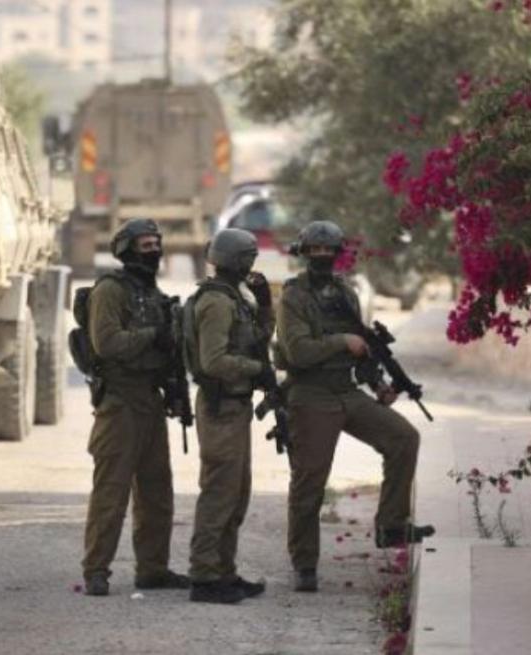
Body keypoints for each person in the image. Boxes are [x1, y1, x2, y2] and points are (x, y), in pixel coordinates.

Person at [276, 220, 430, 593]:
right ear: (304, 253)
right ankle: (304, 564)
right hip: (311, 394)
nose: (322, 256)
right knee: (310, 482)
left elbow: (362, 349)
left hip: (347, 390)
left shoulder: (345, 292)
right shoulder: (294, 296)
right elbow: (298, 352)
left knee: (403, 438)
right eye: (315, 250)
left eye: (328, 250)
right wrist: (341, 342)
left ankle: (391, 526)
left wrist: (379, 385)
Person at [81, 218, 190, 597]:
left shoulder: (154, 294)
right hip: (120, 402)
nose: (154, 252)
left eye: (156, 245)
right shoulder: (110, 290)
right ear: (126, 251)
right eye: (146, 246)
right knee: (111, 493)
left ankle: (153, 569)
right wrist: (152, 336)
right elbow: (107, 343)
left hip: (150, 399)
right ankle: (96, 570)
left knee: (157, 492)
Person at [184, 228, 275, 604]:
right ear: (239, 261)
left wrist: (266, 305)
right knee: (219, 493)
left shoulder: (235, 298)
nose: (252, 265)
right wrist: (256, 370)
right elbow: (214, 361)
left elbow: (258, 340)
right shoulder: (217, 303)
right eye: (249, 258)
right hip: (220, 406)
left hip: (235, 406)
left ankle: (224, 571)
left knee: (236, 494)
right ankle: (205, 577)